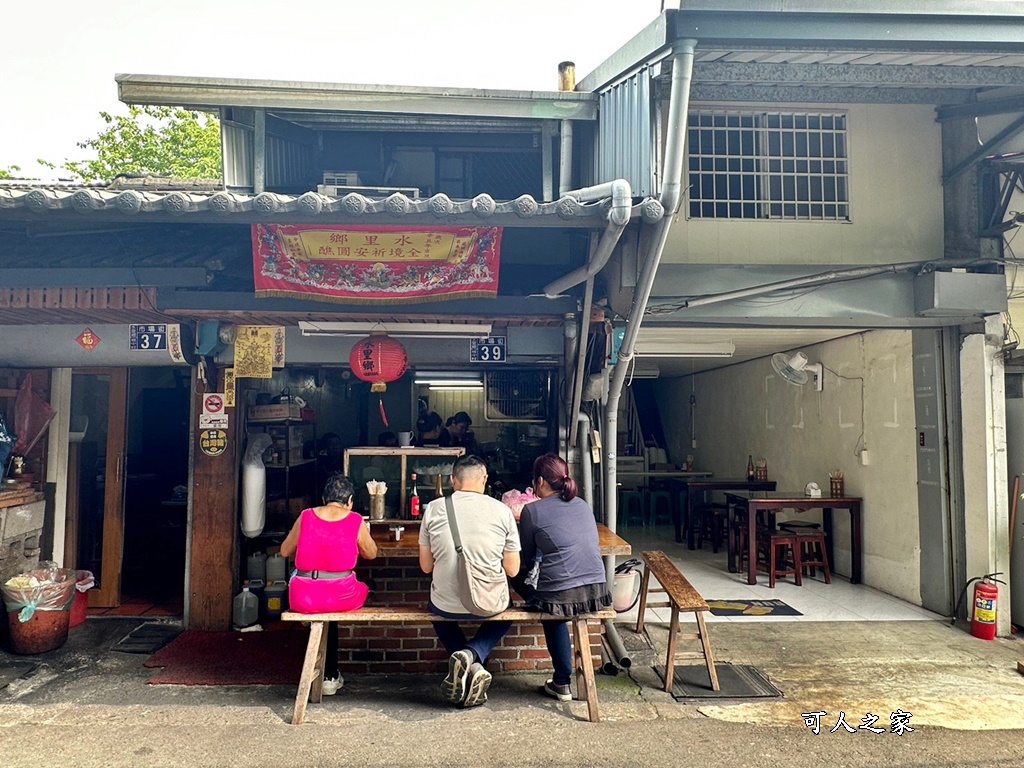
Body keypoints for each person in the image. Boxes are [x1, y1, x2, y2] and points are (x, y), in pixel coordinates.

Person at [418, 455, 520, 708]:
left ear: (453, 481)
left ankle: (464, 656)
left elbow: (425, 567)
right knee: (508, 610)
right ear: (485, 480)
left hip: (446, 604)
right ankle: (474, 657)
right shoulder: (502, 511)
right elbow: (513, 570)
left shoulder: (433, 508)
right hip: (489, 602)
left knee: (435, 611)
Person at [512, 452, 612, 702]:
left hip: (561, 595)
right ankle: (561, 680)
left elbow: (525, 560)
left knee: (514, 575)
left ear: (542, 481)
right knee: (554, 599)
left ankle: (562, 681)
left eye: (535, 479)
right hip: (596, 590)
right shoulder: (582, 504)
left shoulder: (531, 511)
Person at [280, 473, 378, 695]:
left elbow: (285, 550)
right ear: (350, 500)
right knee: (367, 586)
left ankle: (328, 674)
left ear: (324, 499)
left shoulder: (305, 516)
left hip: (302, 596)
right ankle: (330, 675)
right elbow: (371, 554)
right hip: (340, 595)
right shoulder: (355, 519)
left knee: (324, 607)